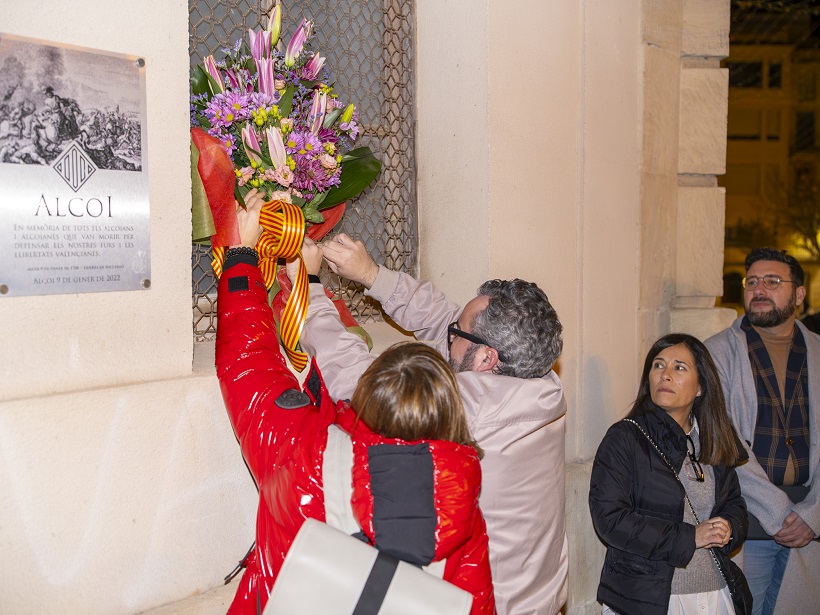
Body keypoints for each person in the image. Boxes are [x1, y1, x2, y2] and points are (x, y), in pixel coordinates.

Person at [216, 190, 495, 615]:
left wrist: (240, 256)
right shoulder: (462, 508)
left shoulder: (306, 458)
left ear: (363, 396)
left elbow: (247, 364)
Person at [294, 234, 568, 615]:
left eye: (459, 332)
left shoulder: (464, 410)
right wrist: (372, 275)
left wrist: (310, 290)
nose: (449, 331)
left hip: (494, 604)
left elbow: (361, 380)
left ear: (488, 358)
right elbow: (448, 322)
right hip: (540, 597)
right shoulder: (540, 382)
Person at [589, 333, 748, 615]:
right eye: (658, 365)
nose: (665, 375)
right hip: (648, 598)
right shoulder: (625, 438)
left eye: (679, 367)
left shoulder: (715, 438)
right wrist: (689, 538)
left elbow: (734, 503)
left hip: (713, 594)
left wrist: (729, 526)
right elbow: (610, 520)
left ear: (701, 387)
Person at [706, 247, 820, 615]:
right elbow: (722, 439)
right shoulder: (716, 353)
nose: (759, 289)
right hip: (746, 521)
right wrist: (780, 513)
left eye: (772, 281)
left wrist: (813, 514)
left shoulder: (819, 352)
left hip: (810, 520)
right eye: (752, 281)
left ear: (799, 294)